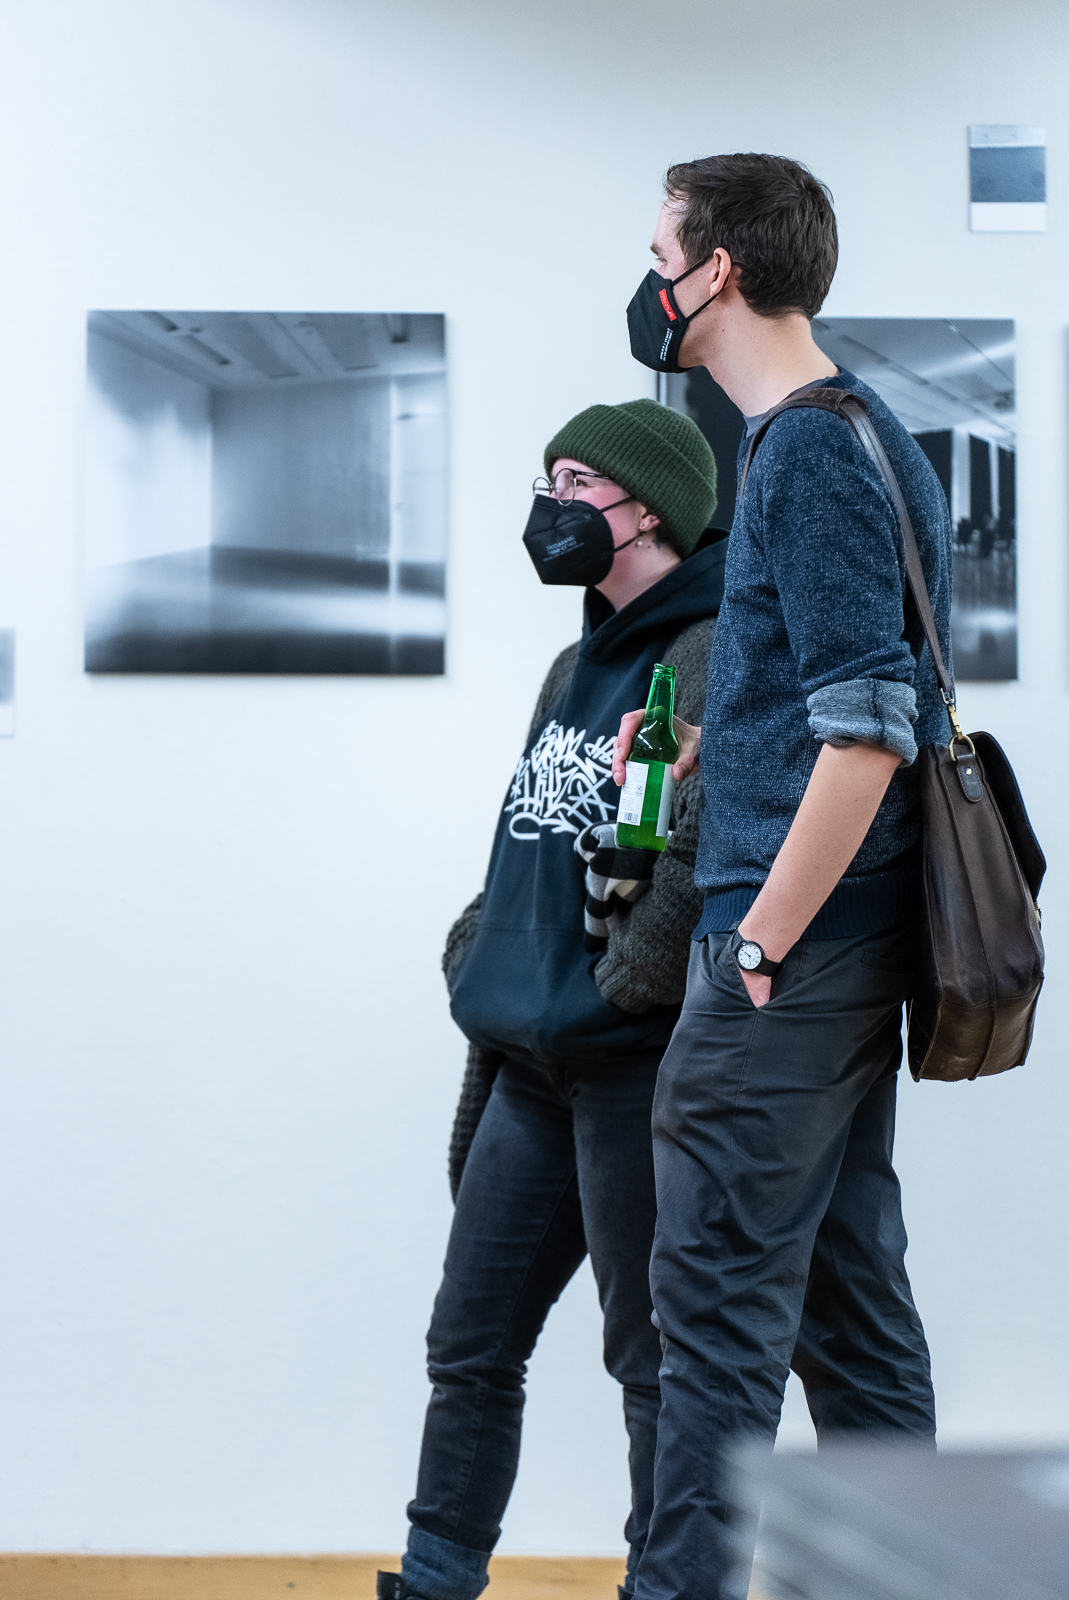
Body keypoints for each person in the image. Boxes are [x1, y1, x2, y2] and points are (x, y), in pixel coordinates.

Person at [616, 154, 951, 1600]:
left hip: (788, 958)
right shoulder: (855, 429)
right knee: (848, 1308)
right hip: (842, 944)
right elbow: (838, 700)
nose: (648, 284)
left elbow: (868, 731)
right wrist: (716, 750)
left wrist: (755, 942)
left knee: (711, 1329)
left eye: (659, 256)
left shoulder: (806, 448)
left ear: (721, 272)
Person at [378, 400, 721, 1600]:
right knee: (468, 1344)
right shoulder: (573, 667)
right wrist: (479, 947)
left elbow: (701, 851)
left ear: (649, 509)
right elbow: (525, 834)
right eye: (549, 479)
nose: (552, 505)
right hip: (527, 1066)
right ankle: (435, 1577)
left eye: (576, 481)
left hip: (633, 1067)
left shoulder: (711, 653)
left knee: (653, 1363)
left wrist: (625, 985)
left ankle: (660, 1584)